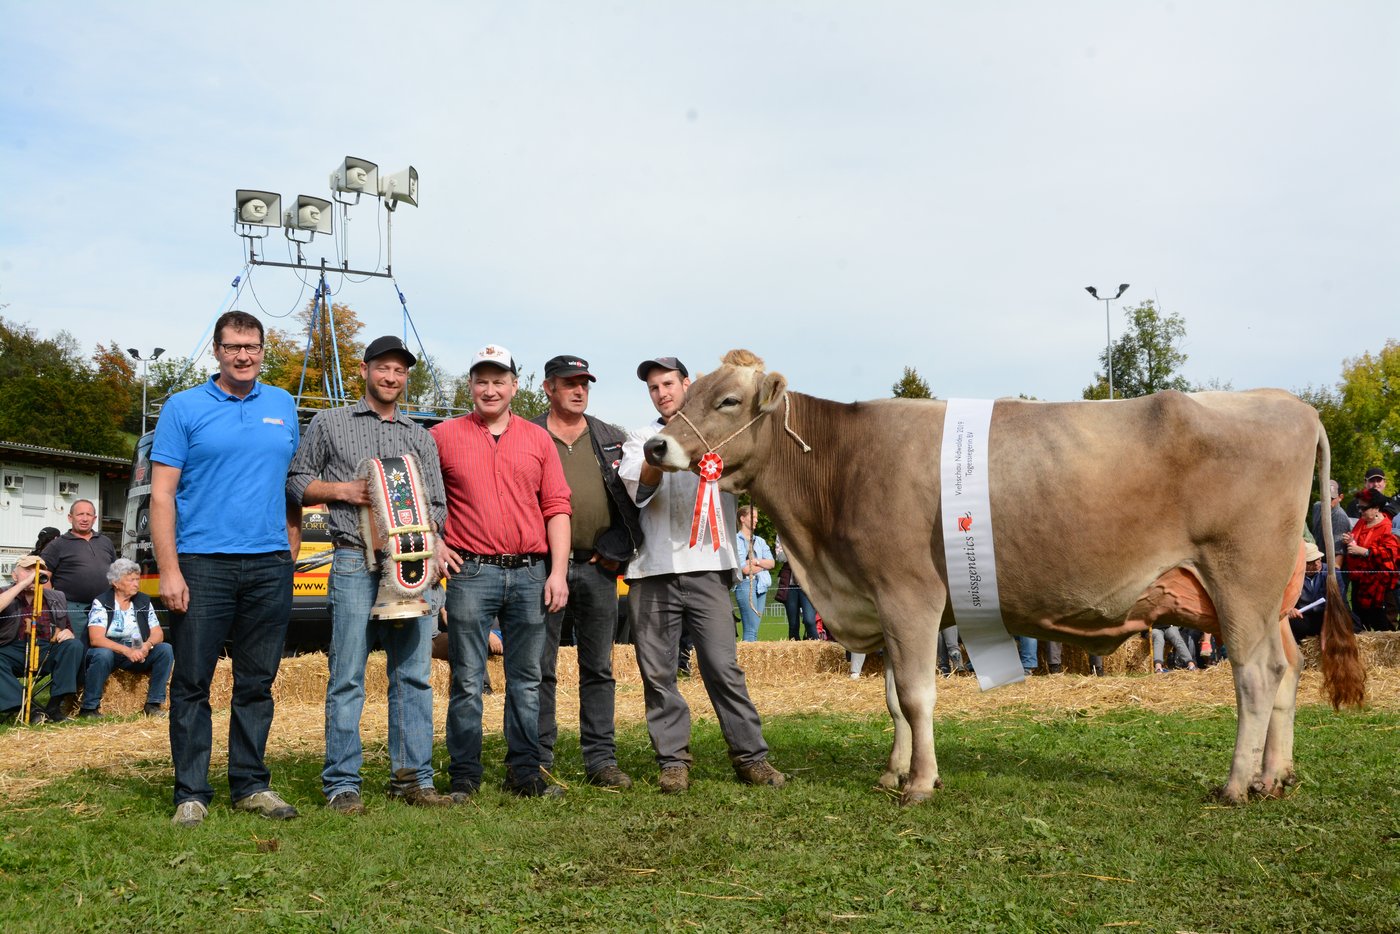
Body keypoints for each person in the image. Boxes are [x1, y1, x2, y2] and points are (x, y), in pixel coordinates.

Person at [286, 335, 453, 813]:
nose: (391, 377)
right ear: (364, 370)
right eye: (383, 368)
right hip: (354, 560)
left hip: (413, 561)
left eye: (400, 371)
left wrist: (427, 543)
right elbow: (297, 481)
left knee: (414, 674)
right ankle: (342, 785)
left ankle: (413, 779)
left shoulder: (420, 436)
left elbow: (437, 504)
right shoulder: (328, 423)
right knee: (347, 675)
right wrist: (343, 491)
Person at [150, 309, 302, 828]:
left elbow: (291, 485)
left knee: (257, 682)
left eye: (252, 346)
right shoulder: (182, 406)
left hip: (269, 565)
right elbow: (163, 495)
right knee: (192, 680)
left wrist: (291, 546)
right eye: (234, 346)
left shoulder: (283, 405)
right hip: (202, 564)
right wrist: (169, 571)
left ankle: (251, 784)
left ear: (263, 350)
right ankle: (191, 791)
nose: (244, 355)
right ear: (216, 349)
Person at [618, 355, 786, 793]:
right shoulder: (640, 437)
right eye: (654, 388)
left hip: (709, 568)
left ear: (689, 385)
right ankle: (673, 761)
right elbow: (638, 487)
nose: (662, 393)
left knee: (722, 667)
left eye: (669, 384)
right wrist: (666, 447)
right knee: (658, 674)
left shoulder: (724, 430)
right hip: (651, 570)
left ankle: (751, 757)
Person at [432, 344, 572, 800]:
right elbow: (422, 499)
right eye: (481, 380)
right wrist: (435, 541)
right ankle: (465, 776)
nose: (490, 389)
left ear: (514, 386)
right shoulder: (443, 436)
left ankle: (525, 773)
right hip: (472, 573)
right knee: (468, 679)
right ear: (470, 386)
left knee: (527, 679)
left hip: (531, 572)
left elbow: (556, 507)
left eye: (499, 380)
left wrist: (558, 572)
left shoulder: (537, 440)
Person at [529, 354, 642, 790]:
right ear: (548, 388)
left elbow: (634, 501)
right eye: (570, 383)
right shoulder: (527, 434)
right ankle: (537, 760)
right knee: (539, 668)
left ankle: (601, 761)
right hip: (542, 568)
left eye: (585, 384)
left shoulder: (611, 438)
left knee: (599, 668)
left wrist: (618, 551)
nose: (579, 390)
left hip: (598, 570)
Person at [81, 557, 173, 718]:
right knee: (103, 654)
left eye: (137, 579)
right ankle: (89, 708)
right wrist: (126, 651)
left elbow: (158, 633)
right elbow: (96, 639)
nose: (136, 584)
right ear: (116, 583)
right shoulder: (102, 602)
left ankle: (153, 704)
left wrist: (147, 645)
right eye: (131, 580)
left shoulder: (143, 601)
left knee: (165, 649)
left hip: (137, 650)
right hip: (110, 651)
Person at [0, 555, 79, 724]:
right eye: (28, 571)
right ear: (14, 575)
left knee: (73, 646)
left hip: (45, 648)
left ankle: (55, 706)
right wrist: (23, 584)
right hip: (10, 649)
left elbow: (68, 629)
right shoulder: (4, 593)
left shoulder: (56, 597)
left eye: (37, 571)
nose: (34, 575)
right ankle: (25, 708)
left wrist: (67, 633)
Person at [41, 499, 117, 650]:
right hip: (72, 609)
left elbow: (116, 572)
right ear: (70, 517)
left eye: (89, 514)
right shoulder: (57, 545)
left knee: (103, 651)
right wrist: (55, 605)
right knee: (75, 649)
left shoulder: (106, 542)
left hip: (104, 607)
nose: (84, 518)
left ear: (95, 518)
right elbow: (43, 577)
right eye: (80, 514)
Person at [1345, 489, 1399, 631]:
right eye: (1359, 507)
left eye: (1364, 508)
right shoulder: (1362, 522)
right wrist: (1350, 540)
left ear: (1376, 508)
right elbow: (1358, 540)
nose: (1360, 511)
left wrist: (1362, 551)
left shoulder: (1387, 527)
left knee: (1382, 624)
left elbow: (1388, 555)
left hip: (1378, 585)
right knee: (1360, 621)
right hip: (1359, 581)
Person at [1287, 542, 1344, 642]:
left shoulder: (1332, 573)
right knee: (1289, 624)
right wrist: (1290, 608)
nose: (1317, 564)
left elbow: (1336, 602)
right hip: (1305, 616)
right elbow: (1284, 598)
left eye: (1318, 559)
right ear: (1300, 563)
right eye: (1311, 562)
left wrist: (1324, 632)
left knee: (1350, 625)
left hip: (1329, 614)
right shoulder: (1292, 576)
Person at [734, 505, 775, 642]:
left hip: (762, 586)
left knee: (755, 629)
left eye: (757, 517)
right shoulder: (736, 540)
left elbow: (772, 563)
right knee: (751, 629)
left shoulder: (761, 541)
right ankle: (746, 662)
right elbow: (744, 569)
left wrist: (755, 561)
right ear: (743, 518)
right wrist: (763, 565)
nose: (756, 520)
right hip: (746, 584)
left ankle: (748, 661)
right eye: (753, 517)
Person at [773, 538, 818, 641]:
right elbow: (780, 557)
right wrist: (797, 550)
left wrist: (789, 551)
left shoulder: (805, 531)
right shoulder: (781, 535)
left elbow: (812, 555)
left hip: (807, 585)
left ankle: (816, 649)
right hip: (790, 585)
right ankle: (796, 654)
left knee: (809, 621)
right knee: (793, 625)